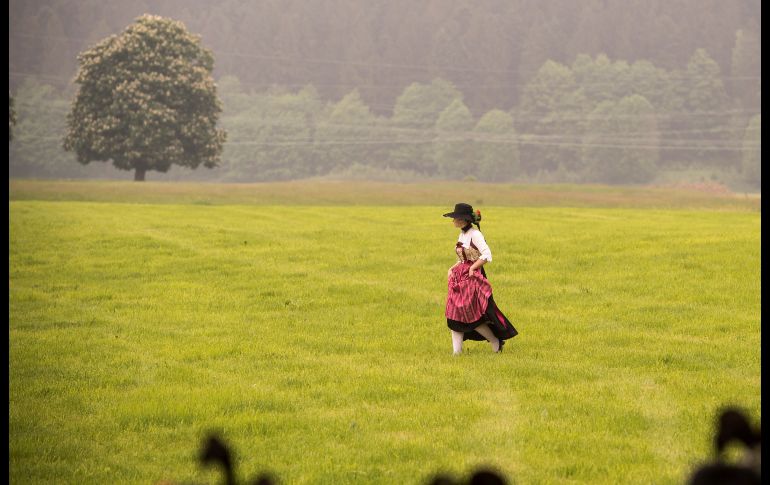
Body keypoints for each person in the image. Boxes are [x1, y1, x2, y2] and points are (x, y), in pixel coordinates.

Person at [443, 203, 518, 355]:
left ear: (463, 220)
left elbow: (486, 255)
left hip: (473, 279)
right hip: (460, 278)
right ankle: (456, 353)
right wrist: (453, 267)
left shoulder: (475, 234)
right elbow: (464, 257)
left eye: (455, 218)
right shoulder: (462, 234)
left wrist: (472, 268)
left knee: (472, 316)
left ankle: (496, 342)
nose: (453, 221)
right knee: (454, 314)